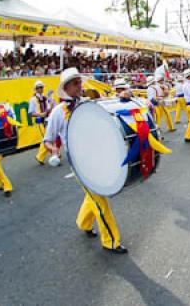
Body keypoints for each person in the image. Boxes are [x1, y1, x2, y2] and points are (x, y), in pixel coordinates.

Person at [43, 67, 127, 254]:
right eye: (75, 83)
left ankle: (83, 223)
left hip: (96, 158)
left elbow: (110, 109)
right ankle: (111, 241)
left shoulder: (89, 104)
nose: (80, 85)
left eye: (79, 81)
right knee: (100, 200)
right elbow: (47, 140)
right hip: (79, 164)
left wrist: (124, 96)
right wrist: (54, 150)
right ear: (66, 87)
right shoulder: (58, 112)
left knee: (95, 196)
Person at [30, 80, 54, 165]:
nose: (41, 89)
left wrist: (51, 104)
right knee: (47, 139)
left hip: (47, 120)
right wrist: (41, 114)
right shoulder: (33, 100)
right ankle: (54, 155)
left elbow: (48, 109)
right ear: (36, 89)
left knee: (47, 139)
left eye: (42, 87)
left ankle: (40, 156)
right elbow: (30, 113)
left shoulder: (45, 97)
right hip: (40, 122)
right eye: (39, 87)